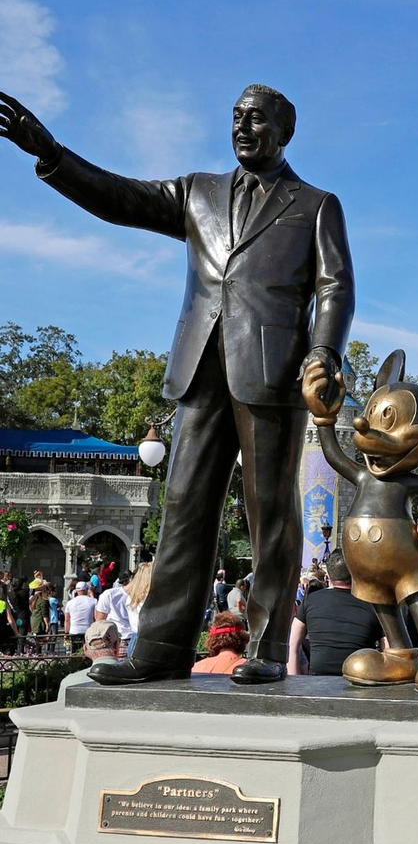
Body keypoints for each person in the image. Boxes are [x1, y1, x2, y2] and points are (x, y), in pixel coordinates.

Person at [0, 84, 354, 686]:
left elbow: (335, 286)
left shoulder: (315, 204)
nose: (243, 128)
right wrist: (51, 153)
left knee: (270, 511)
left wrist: (323, 350)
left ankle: (268, 647)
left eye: (257, 120)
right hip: (199, 368)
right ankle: (161, 649)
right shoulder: (199, 193)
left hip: (271, 372)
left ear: (285, 131)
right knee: (184, 508)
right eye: (236, 118)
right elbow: (121, 198)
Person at [287, 548, 384, 675]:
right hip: (359, 683)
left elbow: (292, 645)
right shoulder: (375, 606)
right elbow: (388, 651)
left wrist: (296, 685)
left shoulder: (310, 601)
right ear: (357, 573)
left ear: (329, 576)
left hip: (317, 685)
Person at [95, 571, 134, 645]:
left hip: (135, 638)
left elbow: (99, 620)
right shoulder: (109, 594)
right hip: (119, 639)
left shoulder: (142, 595)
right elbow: (99, 621)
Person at [64, 583, 97, 652]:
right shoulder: (93, 601)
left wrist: (66, 633)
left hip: (74, 631)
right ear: (86, 590)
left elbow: (67, 620)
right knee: (89, 652)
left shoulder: (69, 603)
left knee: (75, 652)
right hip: (89, 631)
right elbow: (96, 617)